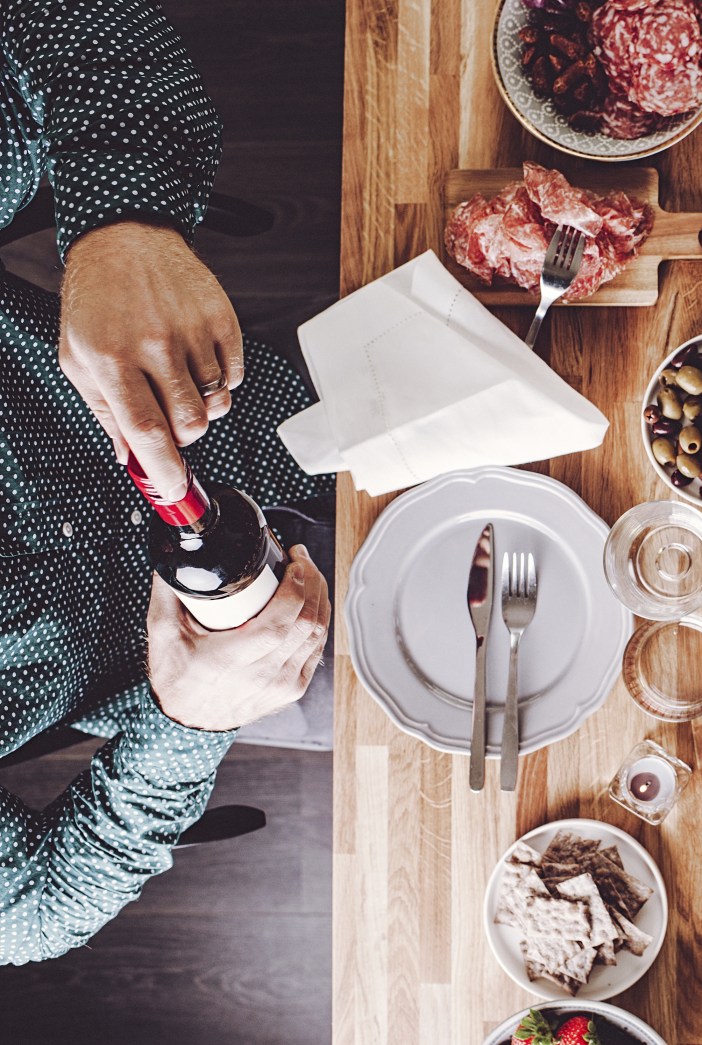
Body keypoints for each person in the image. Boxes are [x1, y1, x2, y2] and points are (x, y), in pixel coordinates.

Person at [0, 0, 332, 962]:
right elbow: (35, 908)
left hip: (263, 405)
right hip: (235, 660)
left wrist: (119, 228)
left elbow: (63, 21)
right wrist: (191, 719)